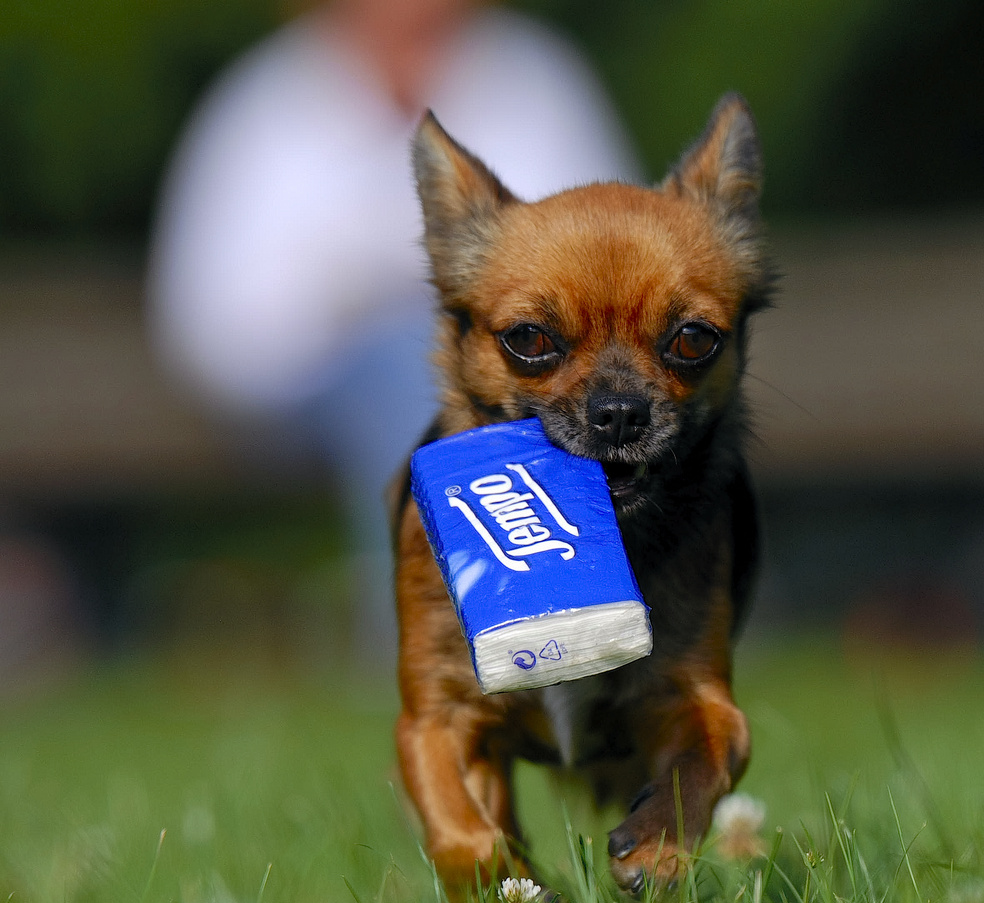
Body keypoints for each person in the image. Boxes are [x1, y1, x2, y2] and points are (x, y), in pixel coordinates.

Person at [148, 0, 639, 663]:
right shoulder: (269, 100)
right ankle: (453, 634)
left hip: (525, 366)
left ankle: (557, 624)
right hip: (308, 385)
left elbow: (612, 250)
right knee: (413, 361)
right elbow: (226, 319)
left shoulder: (529, 76)